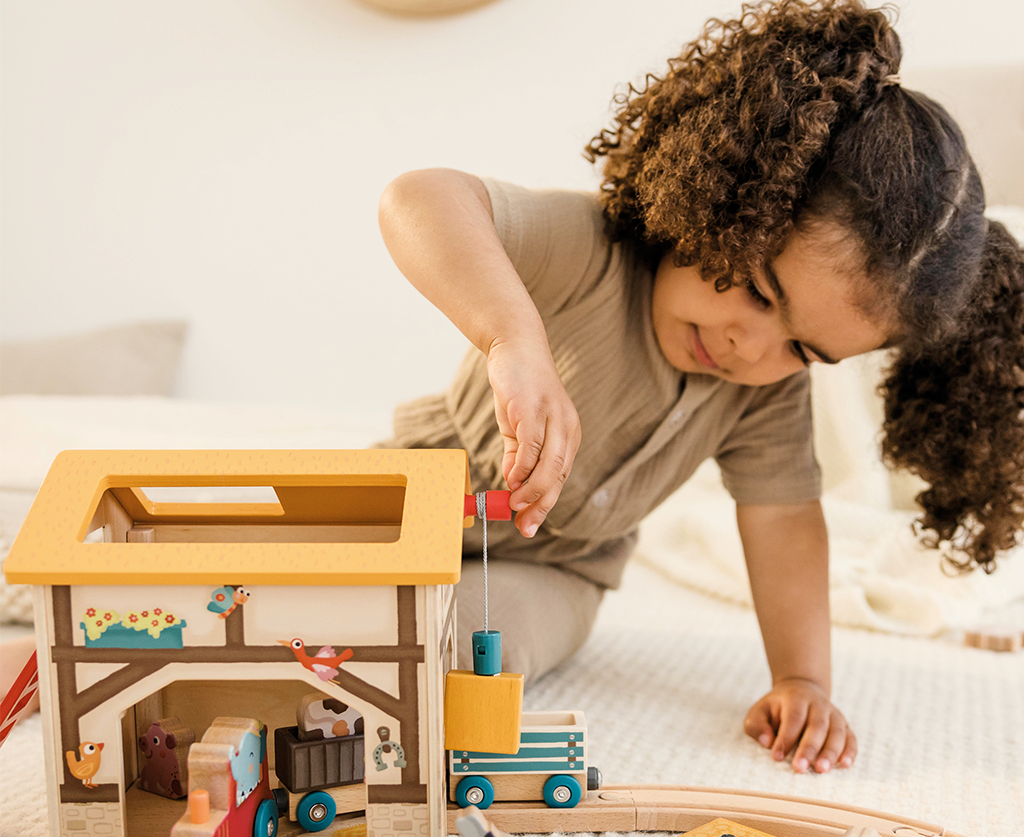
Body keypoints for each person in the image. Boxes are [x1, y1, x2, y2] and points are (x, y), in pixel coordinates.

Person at [378, 0, 1024, 774]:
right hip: (405, 502)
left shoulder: (763, 396)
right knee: (273, 594)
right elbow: (421, 198)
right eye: (755, 288)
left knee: (455, 661)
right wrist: (510, 337)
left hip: (552, 568)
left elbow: (784, 523)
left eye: (805, 350)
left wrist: (802, 678)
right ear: (729, 200)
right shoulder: (593, 250)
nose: (748, 347)